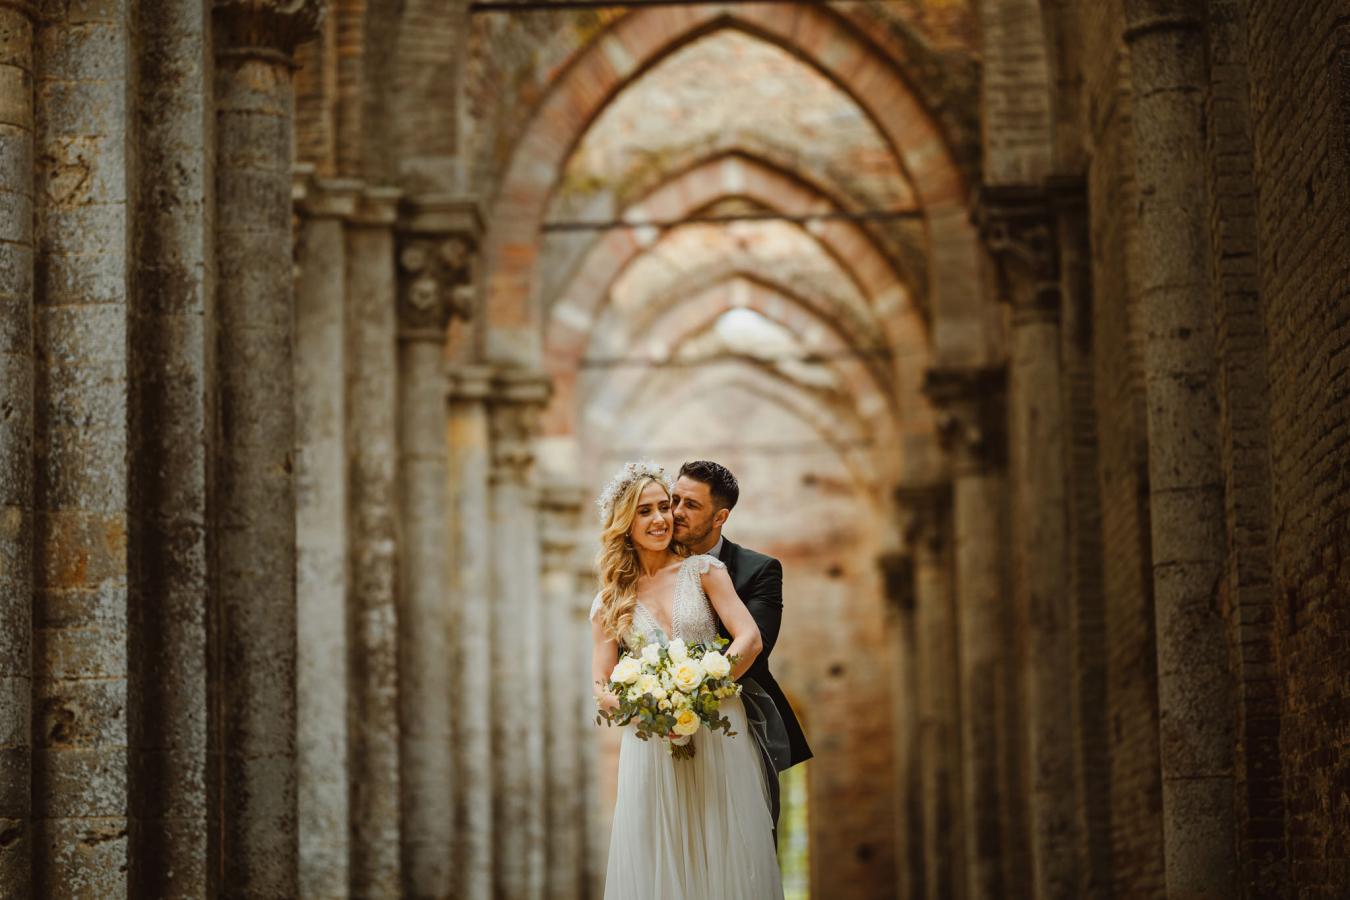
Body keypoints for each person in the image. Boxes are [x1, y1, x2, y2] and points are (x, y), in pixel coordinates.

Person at [590, 461, 784, 899]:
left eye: (666, 507)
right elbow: (601, 685)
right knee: (660, 851)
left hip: (717, 730)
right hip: (651, 740)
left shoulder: (704, 572)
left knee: (724, 844)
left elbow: (749, 639)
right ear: (624, 522)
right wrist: (646, 708)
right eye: (646, 511)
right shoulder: (609, 601)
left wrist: (696, 694)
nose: (662, 518)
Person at [671, 460, 813, 829]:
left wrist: (687, 694)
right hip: (664, 728)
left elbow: (756, 645)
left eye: (691, 505)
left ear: (720, 517)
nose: (676, 513)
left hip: (739, 723)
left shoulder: (759, 570)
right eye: (675, 500)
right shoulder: (649, 566)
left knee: (744, 841)